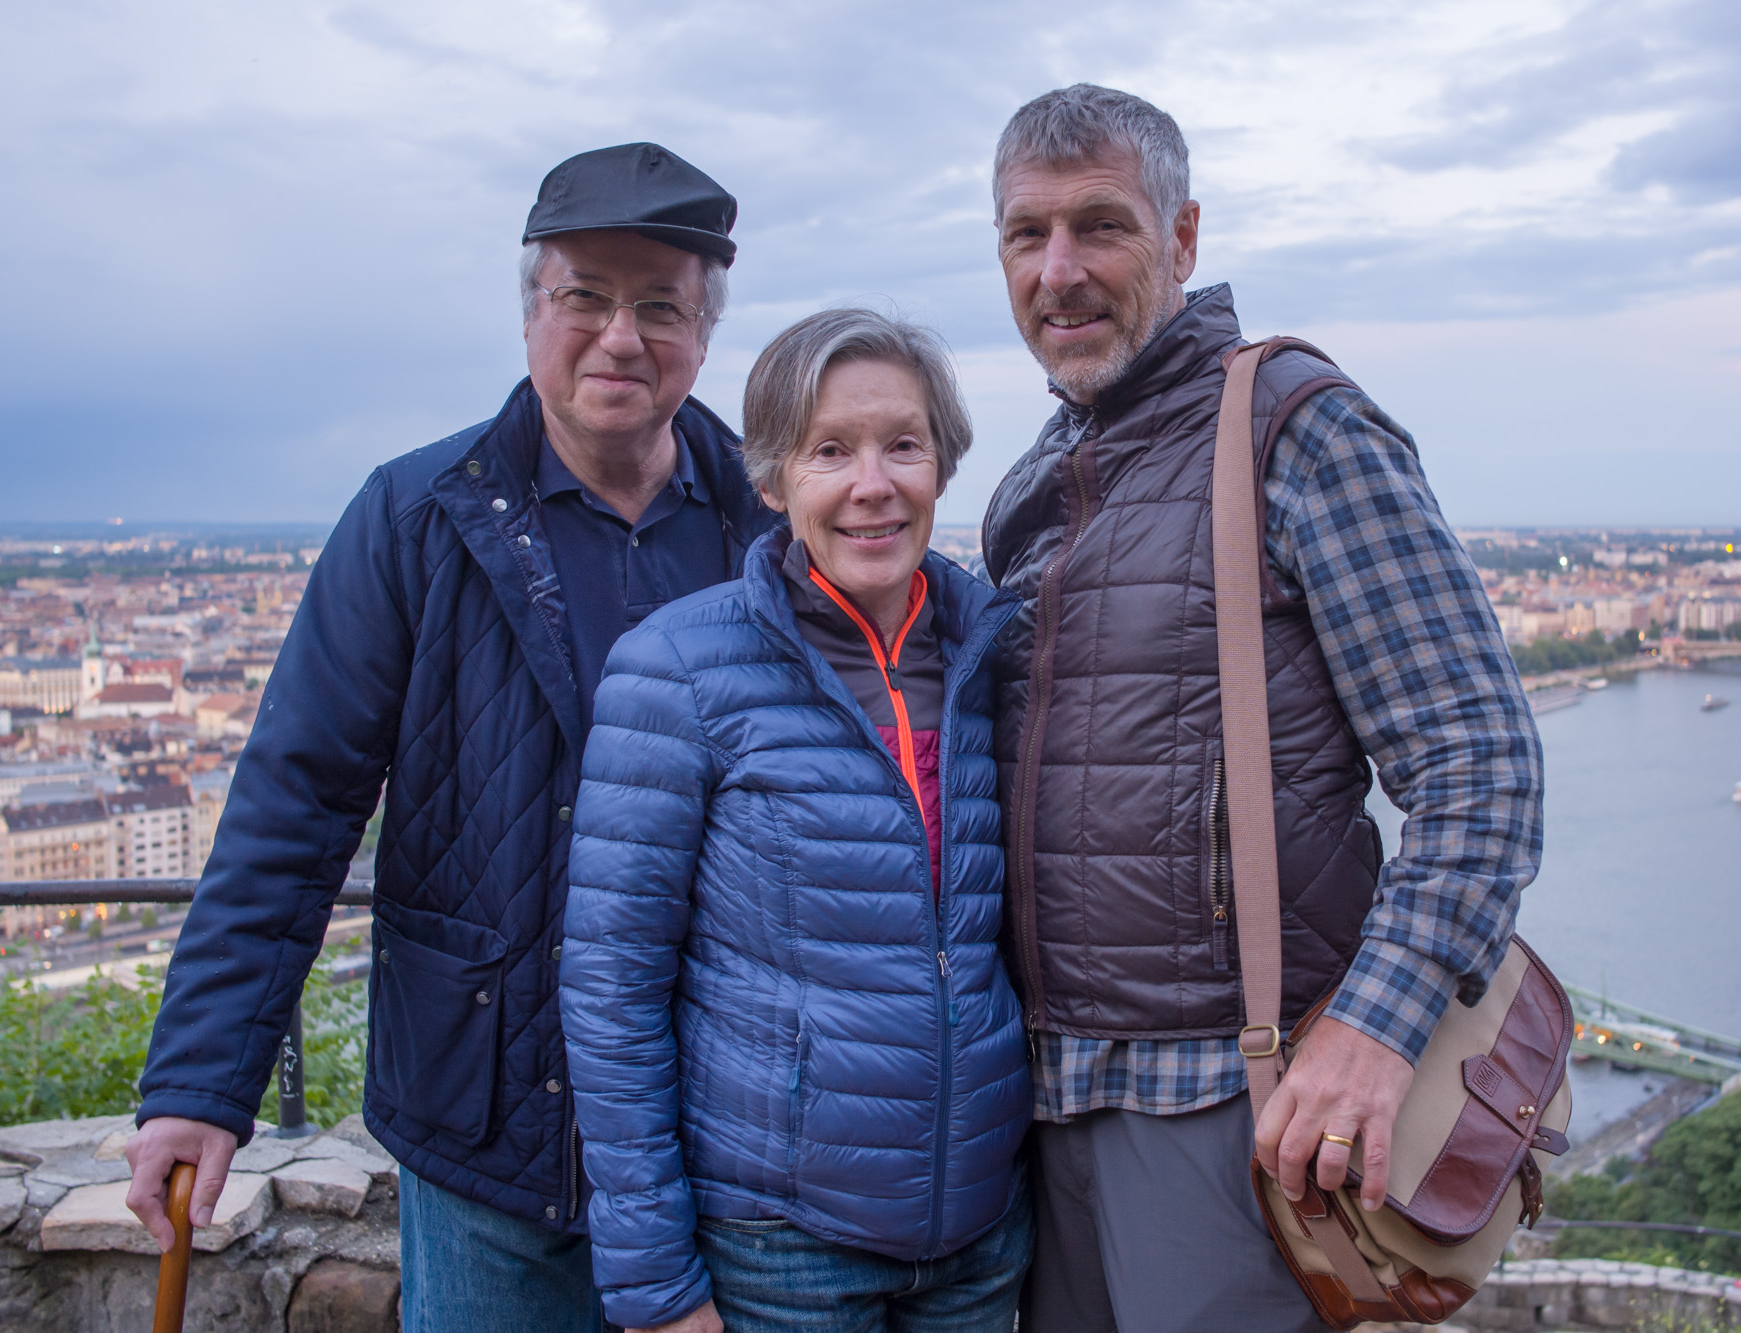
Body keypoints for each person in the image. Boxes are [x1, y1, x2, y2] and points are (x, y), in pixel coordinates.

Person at [123, 143, 780, 1332]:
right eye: (583, 295)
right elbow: (297, 801)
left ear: (702, 331)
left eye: (658, 306)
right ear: (530, 310)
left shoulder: (766, 525)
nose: (618, 336)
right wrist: (202, 1080)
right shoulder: (416, 517)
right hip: (487, 1126)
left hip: (711, 1130)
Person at [978, 85, 1546, 1333]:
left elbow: (1478, 765)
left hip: (1237, 1111)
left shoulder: (1294, 429)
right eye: (1026, 236)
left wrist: (1371, 1031)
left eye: (1099, 227)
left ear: (1181, 240)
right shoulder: (1033, 481)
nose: (1058, 272)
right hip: (1044, 1109)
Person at [561, 307, 1032, 1333]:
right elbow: (610, 988)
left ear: (941, 465)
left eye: (901, 444)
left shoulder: (992, 655)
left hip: (980, 1235)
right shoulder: (678, 668)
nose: (873, 483)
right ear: (772, 481)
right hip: (780, 1244)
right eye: (830, 450)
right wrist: (652, 1285)